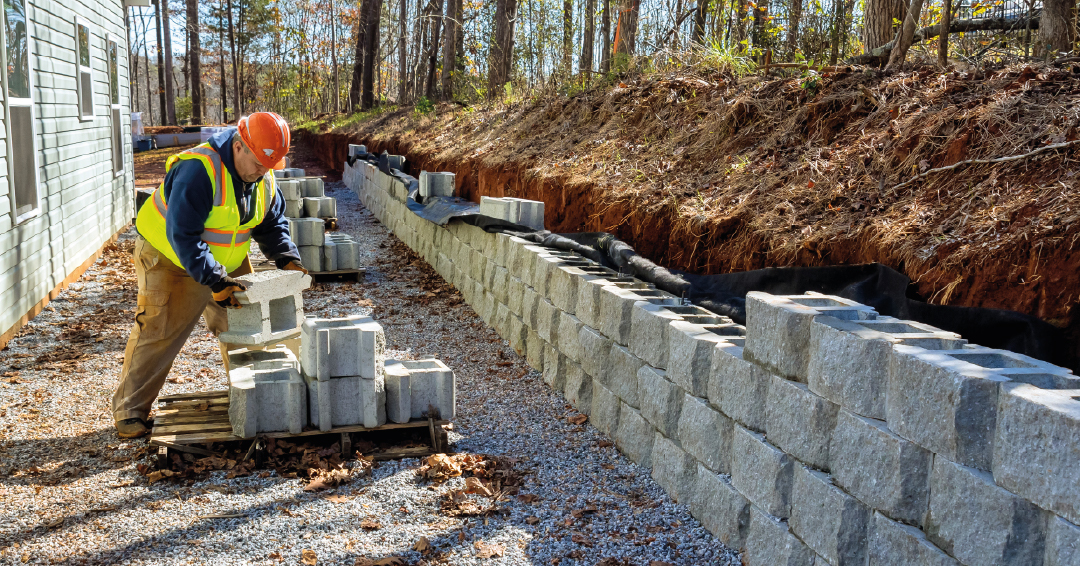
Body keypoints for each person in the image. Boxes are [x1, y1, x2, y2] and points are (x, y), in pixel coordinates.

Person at [112, 112, 308, 439]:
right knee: (159, 330)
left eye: (268, 167)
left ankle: (251, 398)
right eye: (258, 164)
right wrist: (215, 281)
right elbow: (184, 236)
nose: (262, 173)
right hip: (170, 255)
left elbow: (271, 223)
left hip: (225, 261)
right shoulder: (198, 170)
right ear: (238, 146)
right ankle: (130, 410)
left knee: (248, 326)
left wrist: (286, 257)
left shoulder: (264, 176)